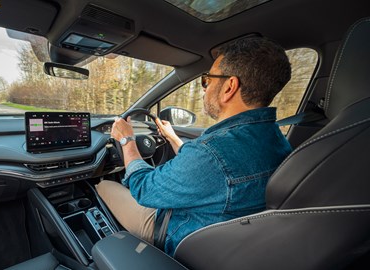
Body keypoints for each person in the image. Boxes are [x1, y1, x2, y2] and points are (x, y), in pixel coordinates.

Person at [96, 37, 293, 256]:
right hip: (227, 242)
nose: (204, 89)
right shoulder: (276, 140)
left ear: (230, 86)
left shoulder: (211, 152)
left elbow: (143, 189)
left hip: (174, 231)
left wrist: (127, 140)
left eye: (207, 80)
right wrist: (173, 139)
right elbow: (211, 171)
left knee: (104, 185)